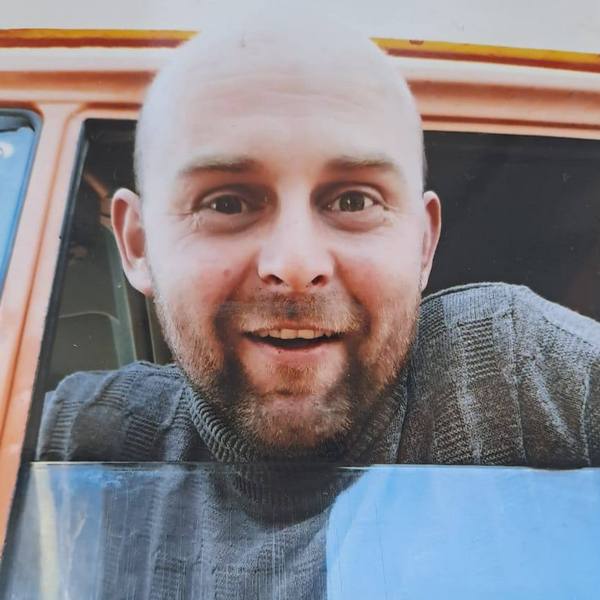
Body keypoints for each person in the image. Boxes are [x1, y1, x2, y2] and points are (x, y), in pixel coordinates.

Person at [32, 12, 600, 598]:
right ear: (138, 244)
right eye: (227, 203)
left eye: (354, 200)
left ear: (423, 244)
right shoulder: (92, 430)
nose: (296, 264)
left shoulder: (509, 370)